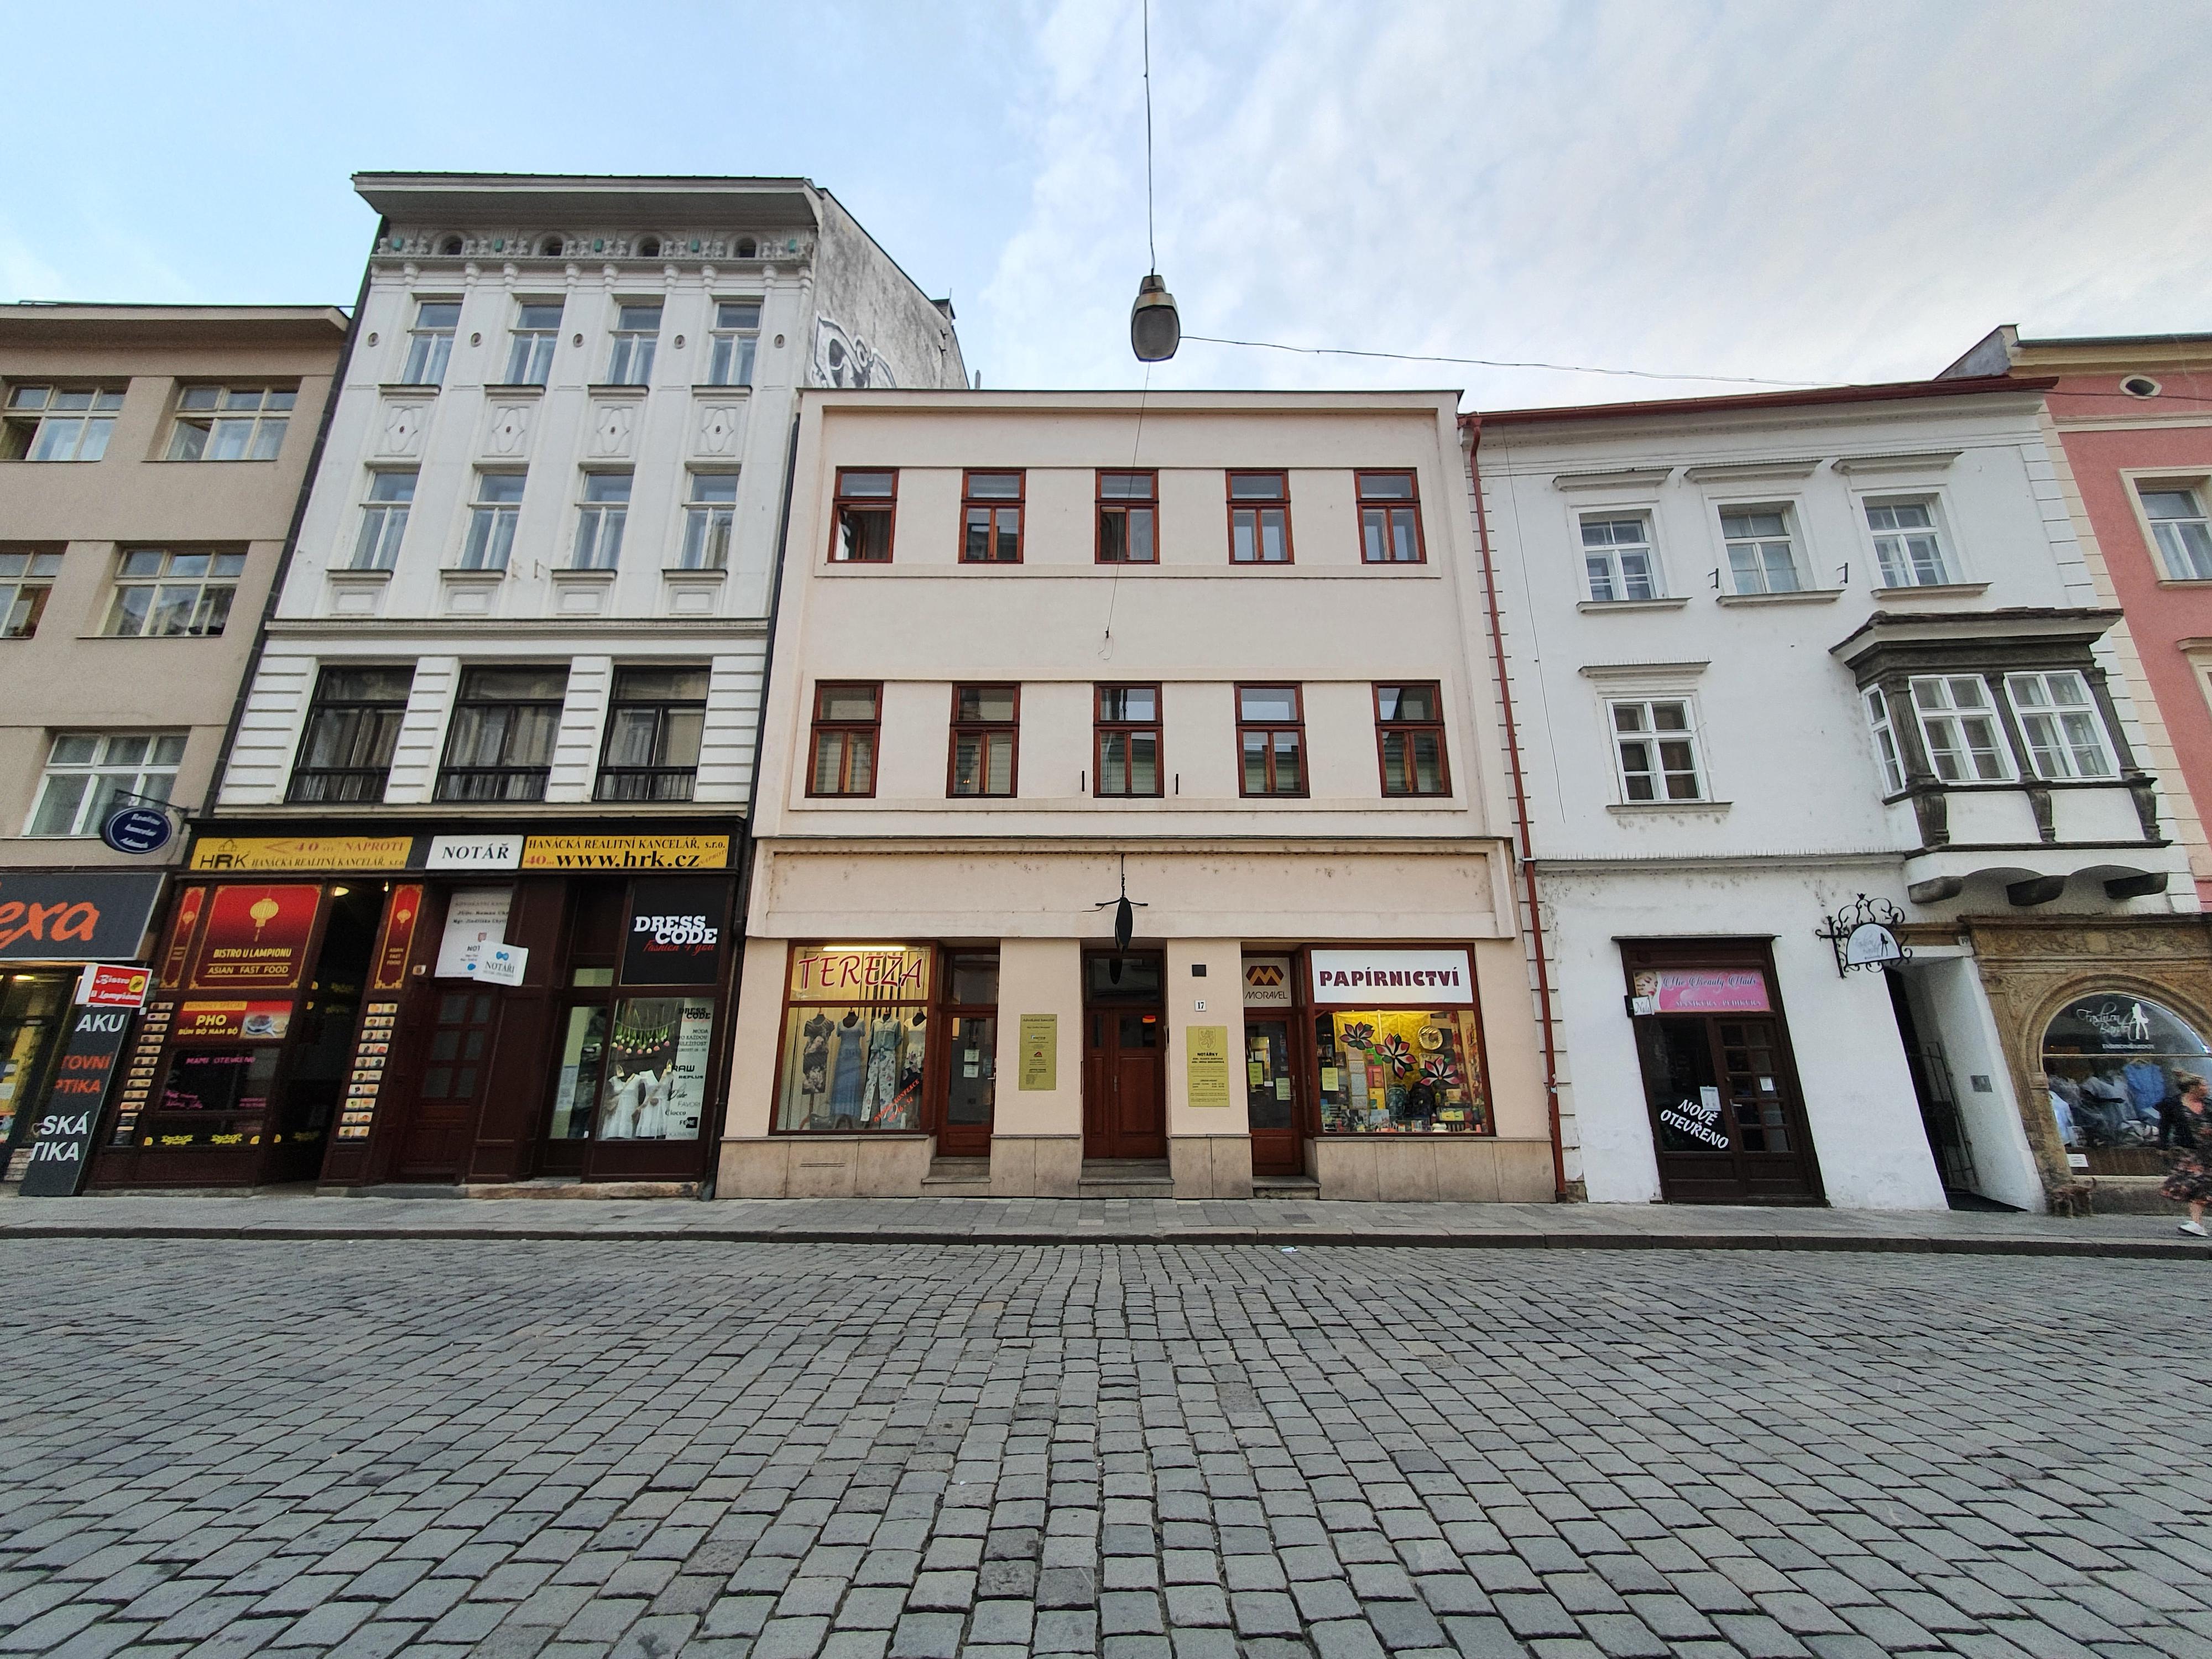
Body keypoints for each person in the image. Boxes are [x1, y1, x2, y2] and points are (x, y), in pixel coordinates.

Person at [2159, 1072, 2212, 1237]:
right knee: (2198, 1184)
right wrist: (2163, 1146)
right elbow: (2165, 1126)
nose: (2207, 1088)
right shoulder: (2173, 1105)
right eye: (2203, 1085)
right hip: (2189, 1152)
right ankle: (2196, 1223)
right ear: (2192, 1088)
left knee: (2203, 1186)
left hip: (2209, 1151)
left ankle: (2196, 1223)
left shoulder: (2209, 1105)